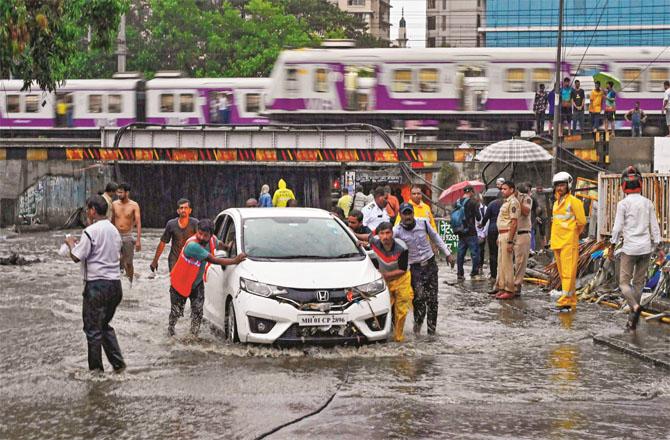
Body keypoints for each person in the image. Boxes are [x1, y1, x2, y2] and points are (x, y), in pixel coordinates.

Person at [64, 195, 125, 373]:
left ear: (92, 210)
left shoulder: (90, 231)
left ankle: (96, 372)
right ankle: (118, 365)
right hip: (115, 285)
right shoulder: (114, 230)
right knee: (104, 325)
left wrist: (70, 244)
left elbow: (77, 257)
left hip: (97, 286)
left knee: (92, 330)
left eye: (87, 210)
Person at [169, 219, 246, 336]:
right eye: (199, 233)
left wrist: (227, 247)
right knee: (176, 313)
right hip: (180, 283)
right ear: (196, 231)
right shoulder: (192, 245)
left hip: (197, 283)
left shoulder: (212, 240)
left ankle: (193, 336)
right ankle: (171, 331)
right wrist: (235, 260)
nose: (201, 237)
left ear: (210, 235)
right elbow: (213, 260)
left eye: (205, 235)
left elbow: (218, 243)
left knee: (198, 312)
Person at [610, 166, 662, 331]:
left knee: (624, 283)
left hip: (630, 249)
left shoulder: (623, 204)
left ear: (623, 186)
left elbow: (617, 228)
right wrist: (659, 246)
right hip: (646, 248)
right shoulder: (648, 203)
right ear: (640, 183)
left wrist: (612, 244)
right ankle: (632, 319)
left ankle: (634, 306)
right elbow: (655, 227)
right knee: (639, 283)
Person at [393, 203, 454, 335]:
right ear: (400, 215)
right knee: (419, 298)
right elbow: (385, 243)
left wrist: (448, 253)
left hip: (431, 265)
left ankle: (432, 332)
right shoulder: (396, 231)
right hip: (414, 269)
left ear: (413, 213)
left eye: (409, 213)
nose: (408, 216)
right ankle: (417, 328)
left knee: (433, 300)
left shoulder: (424, 223)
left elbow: (436, 237)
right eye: (405, 214)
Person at [368, 222, 413, 342]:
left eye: (388, 233)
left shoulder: (402, 247)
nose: (385, 237)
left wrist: (385, 275)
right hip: (385, 280)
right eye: (382, 233)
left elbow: (402, 270)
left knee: (401, 309)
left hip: (401, 279)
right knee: (382, 306)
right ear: (378, 235)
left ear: (392, 234)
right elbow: (365, 237)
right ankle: (381, 334)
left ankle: (399, 337)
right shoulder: (374, 242)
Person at [549, 172, 586, 312]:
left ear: (568, 185)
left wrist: (573, 233)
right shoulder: (556, 203)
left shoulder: (574, 202)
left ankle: (566, 299)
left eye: (562, 185)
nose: (560, 188)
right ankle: (570, 298)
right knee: (562, 271)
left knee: (568, 272)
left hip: (568, 242)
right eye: (557, 185)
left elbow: (581, 222)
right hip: (557, 241)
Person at [150, 198, 199, 274]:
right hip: (175, 258)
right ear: (178, 211)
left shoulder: (195, 223)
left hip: (190, 258)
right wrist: (155, 260)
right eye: (181, 208)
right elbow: (163, 243)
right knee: (174, 283)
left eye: (186, 208)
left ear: (190, 210)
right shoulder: (171, 224)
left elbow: (202, 240)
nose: (183, 210)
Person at [493, 181, 520, 300]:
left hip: (508, 234)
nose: (502, 191)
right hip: (502, 234)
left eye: (505, 189)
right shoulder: (506, 202)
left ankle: (510, 289)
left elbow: (514, 223)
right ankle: (502, 287)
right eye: (502, 189)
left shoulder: (514, 202)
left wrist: (510, 241)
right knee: (501, 263)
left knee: (507, 264)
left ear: (512, 190)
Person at [111, 182, 141, 284]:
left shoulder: (134, 205)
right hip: (116, 235)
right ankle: (116, 282)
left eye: (121, 192)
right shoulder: (114, 204)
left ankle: (130, 283)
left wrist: (138, 241)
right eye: (117, 192)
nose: (119, 194)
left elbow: (138, 223)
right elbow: (111, 221)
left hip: (128, 236)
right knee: (115, 260)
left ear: (127, 193)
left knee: (128, 263)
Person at [455, 185, 482, 281]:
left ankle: (460, 273)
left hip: (460, 232)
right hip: (471, 232)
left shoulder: (457, 202)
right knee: (475, 253)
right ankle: (474, 272)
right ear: (471, 192)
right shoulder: (473, 202)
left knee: (460, 254)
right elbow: (478, 217)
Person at [514, 182, 533, 294]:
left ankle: (517, 285)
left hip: (523, 233)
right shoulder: (508, 200)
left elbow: (526, 211)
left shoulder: (526, 198)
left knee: (520, 262)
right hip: (512, 233)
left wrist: (517, 201)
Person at [481, 194, 502, 280]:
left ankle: (493, 274)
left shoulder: (491, 204)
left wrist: (481, 225)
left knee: (493, 253)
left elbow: (486, 218)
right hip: (503, 229)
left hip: (492, 229)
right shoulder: (506, 203)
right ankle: (502, 273)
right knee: (503, 253)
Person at [475, 194, 487, 275]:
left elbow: (487, 221)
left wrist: (483, 234)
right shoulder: (473, 209)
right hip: (474, 233)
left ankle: (480, 266)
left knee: (481, 250)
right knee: (475, 251)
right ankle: (476, 266)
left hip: (482, 232)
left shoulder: (485, 209)